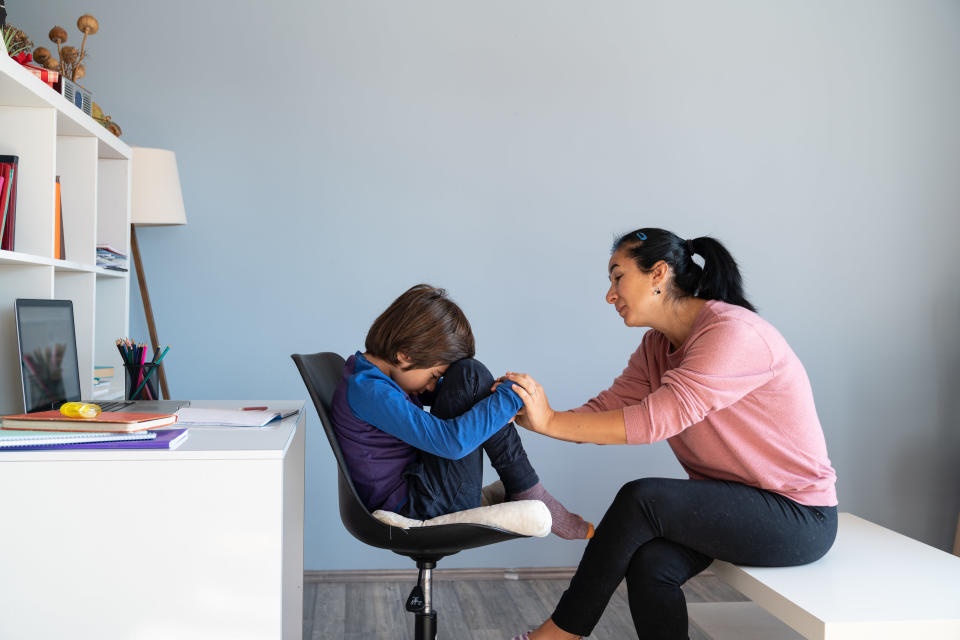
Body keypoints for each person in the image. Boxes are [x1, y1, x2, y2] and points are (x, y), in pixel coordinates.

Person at [505, 228, 838, 640]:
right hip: (731, 502)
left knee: (643, 498)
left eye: (617, 277)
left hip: (797, 515)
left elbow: (654, 420)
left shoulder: (732, 333)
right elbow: (608, 409)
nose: (610, 295)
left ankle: (559, 634)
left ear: (658, 273)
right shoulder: (655, 347)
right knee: (650, 564)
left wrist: (551, 420)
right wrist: (532, 413)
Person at [331, 283, 593, 540]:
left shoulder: (370, 378)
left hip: (420, 489)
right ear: (405, 355)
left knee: (470, 377)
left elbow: (444, 392)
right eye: (434, 375)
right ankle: (526, 488)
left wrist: (483, 392)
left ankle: (524, 487)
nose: (432, 385)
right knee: (471, 374)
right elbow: (451, 444)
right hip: (418, 506)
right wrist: (512, 396)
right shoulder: (371, 392)